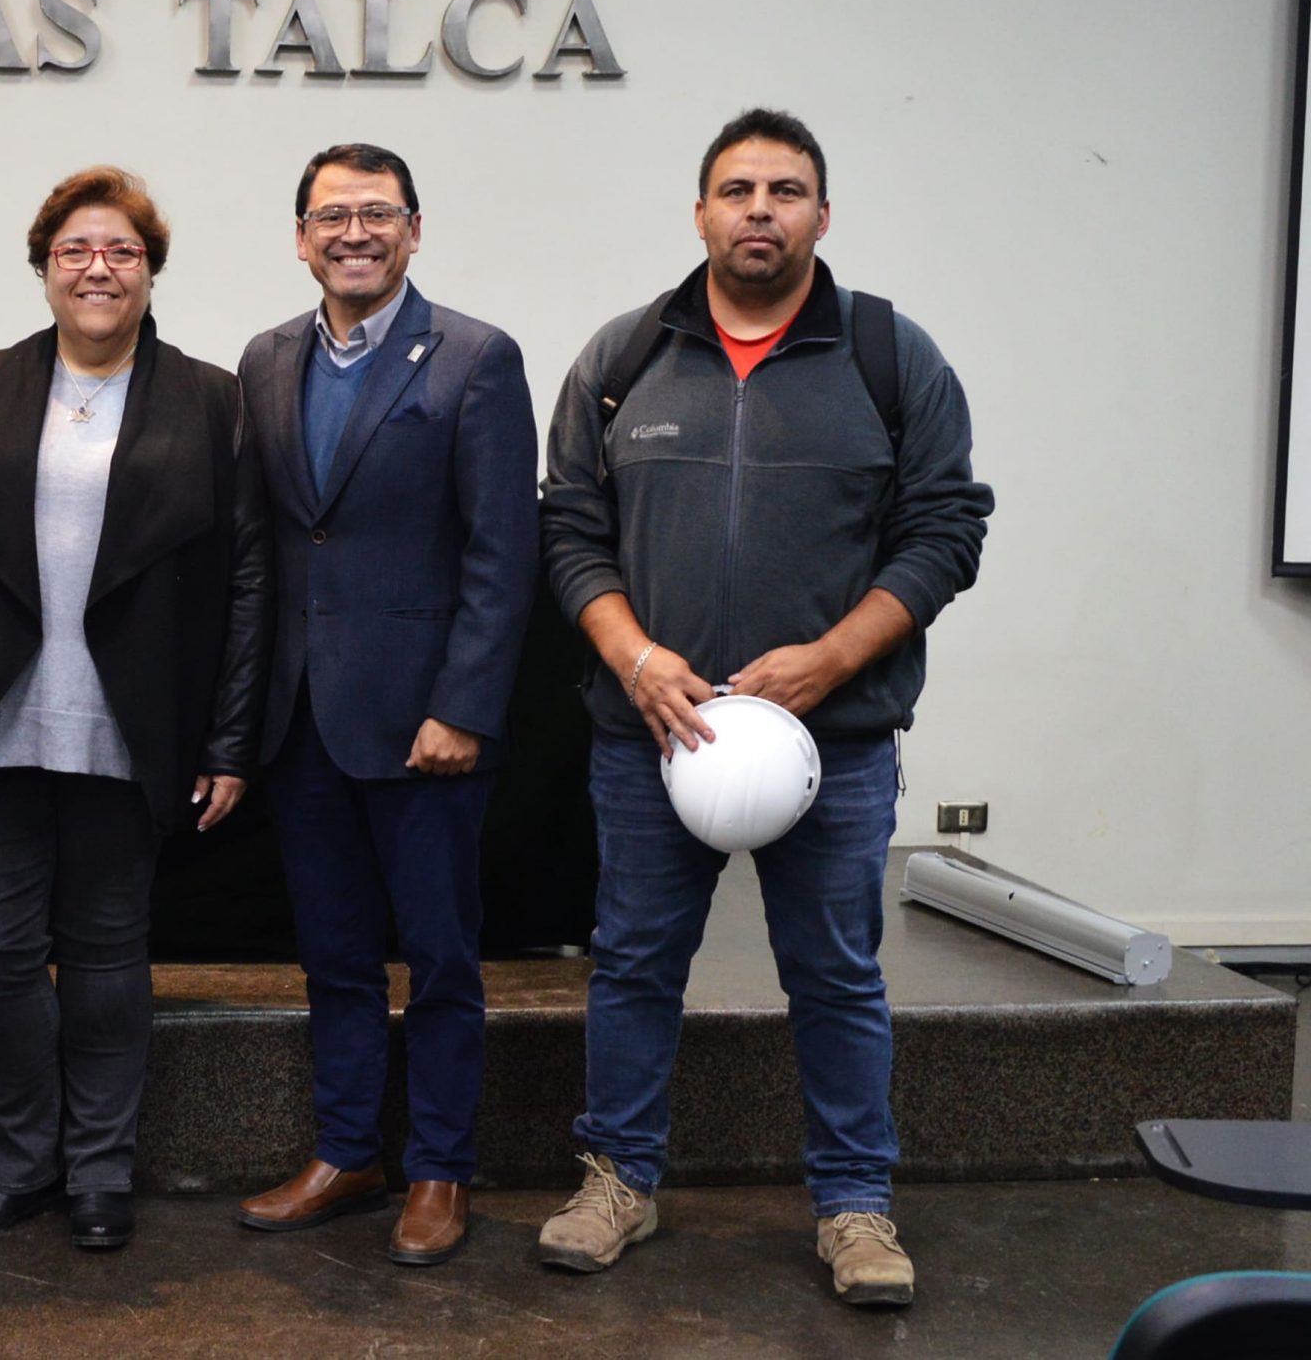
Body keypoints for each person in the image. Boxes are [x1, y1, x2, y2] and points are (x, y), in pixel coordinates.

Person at [537, 107, 992, 1307]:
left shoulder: (891, 358)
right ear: (699, 212)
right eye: (735, 189)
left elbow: (947, 529)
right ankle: (617, 1182)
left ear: (821, 216)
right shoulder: (622, 359)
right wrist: (633, 656)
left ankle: (854, 1206)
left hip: (829, 747)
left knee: (836, 976)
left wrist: (831, 659)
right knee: (633, 964)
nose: (758, 209)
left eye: (784, 190)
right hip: (652, 737)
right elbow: (571, 530)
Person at [0, 167, 270, 1251]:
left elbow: (247, 580)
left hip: (134, 722)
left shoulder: (208, 398)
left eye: (121, 252)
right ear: (44, 268)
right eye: (75, 251)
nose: (98, 268)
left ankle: (100, 1174)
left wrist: (229, 739)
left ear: (150, 271)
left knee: (107, 963)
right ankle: (20, 1169)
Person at [233, 144, 540, 1266]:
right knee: (334, 956)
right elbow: (274, 542)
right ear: (300, 236)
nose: (351, 234)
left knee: (443, 957)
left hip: (426, 730)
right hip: (301, 719)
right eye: (330, 217)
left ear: (414, 228)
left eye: (375, 214)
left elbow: (504, 557)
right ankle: (348, 1149)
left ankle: (439, 1169)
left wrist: (462, 706)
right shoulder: (265, 360)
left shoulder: (473, 359)